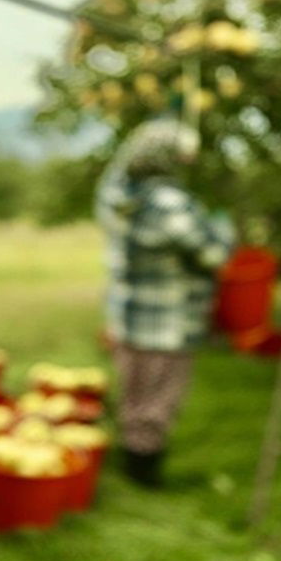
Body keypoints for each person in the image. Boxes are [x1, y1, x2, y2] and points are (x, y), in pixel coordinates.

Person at [95, 118, 234, 487]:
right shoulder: (170, 203)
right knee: (158, 401)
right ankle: (144, 475)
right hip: (168, 320)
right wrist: (223, 229)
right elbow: (212, 254)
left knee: (134, 393)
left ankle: (128, 463)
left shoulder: (118, 195)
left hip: (127, 316)